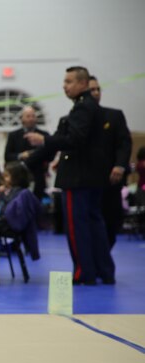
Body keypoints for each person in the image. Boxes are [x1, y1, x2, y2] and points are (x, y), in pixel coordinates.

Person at [25, 66, 114, 285]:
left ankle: (83, 272)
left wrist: (43, 140)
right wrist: (31, 160)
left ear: (83, 84)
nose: (65, 86)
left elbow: (74, 139)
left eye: (69, 82)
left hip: (78, 177)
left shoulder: (83, 109)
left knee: (78, 227)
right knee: (95, 223)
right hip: (92, 177)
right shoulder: (90, 108)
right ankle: (103, 270)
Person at [89, 75, 133, 248]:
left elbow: (124, 144)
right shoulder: (75, 119)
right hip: (86, 182)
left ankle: (104, 256)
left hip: (110, 181)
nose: (96, 92)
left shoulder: (114, 116)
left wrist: (120, 165)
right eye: (92, 89)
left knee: (111, 223)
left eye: (98, 89)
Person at [5, 106, 51, 200]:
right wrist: (21, 155)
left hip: (37, 177)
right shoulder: (14, 135)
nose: (31, 119)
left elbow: (50, 154)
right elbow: (7, 155)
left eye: (33, 116)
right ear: (22, 118)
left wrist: (34, 155)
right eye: (28, 116)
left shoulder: (44, 135)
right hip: (18, 178)